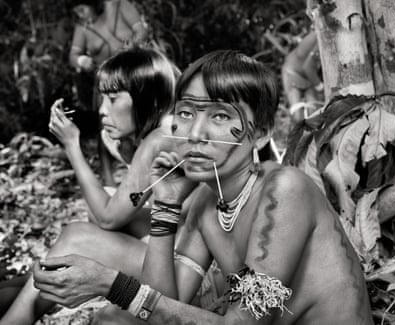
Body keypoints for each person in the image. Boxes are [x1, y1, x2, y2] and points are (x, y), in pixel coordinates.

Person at [28, 50, 374, 325]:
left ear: (262, 133)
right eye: (188, 113)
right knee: (113, 319)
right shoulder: (209, 201)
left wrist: (110, 282)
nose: (194, 134)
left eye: (220, 116)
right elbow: (164, 305)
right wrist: (165, 206)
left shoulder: (285, 190)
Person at [0, 45, 179, 324]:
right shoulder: (167, 129)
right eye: (102, 98)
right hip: (172, 252)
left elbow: (107, 219)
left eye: (112, 99)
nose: (102, 110)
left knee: (76, 238)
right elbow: (111, 211)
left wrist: (72, 145)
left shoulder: (160, 139)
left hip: (186, 274)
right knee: (39, 276)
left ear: (147, 98)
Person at [69, 0, 150, 185]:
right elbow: (73, 56)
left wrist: (133, 44)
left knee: (142, 121)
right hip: (105, 81)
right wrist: (82, 61)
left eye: (82, 7)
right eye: (76, 10)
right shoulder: (83, 28)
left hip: (134, 74)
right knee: (104, 127)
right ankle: (108, 178)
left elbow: (142, 31)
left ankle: (145, 170)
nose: (79, 13)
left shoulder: (120, 6)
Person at [281, 30, 324, 123]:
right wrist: (320, 87)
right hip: (292, 74)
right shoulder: (320, 36)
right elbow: (308, 67)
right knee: (297, 115)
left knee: (314, 113)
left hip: (308, 79)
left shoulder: (323, 36)